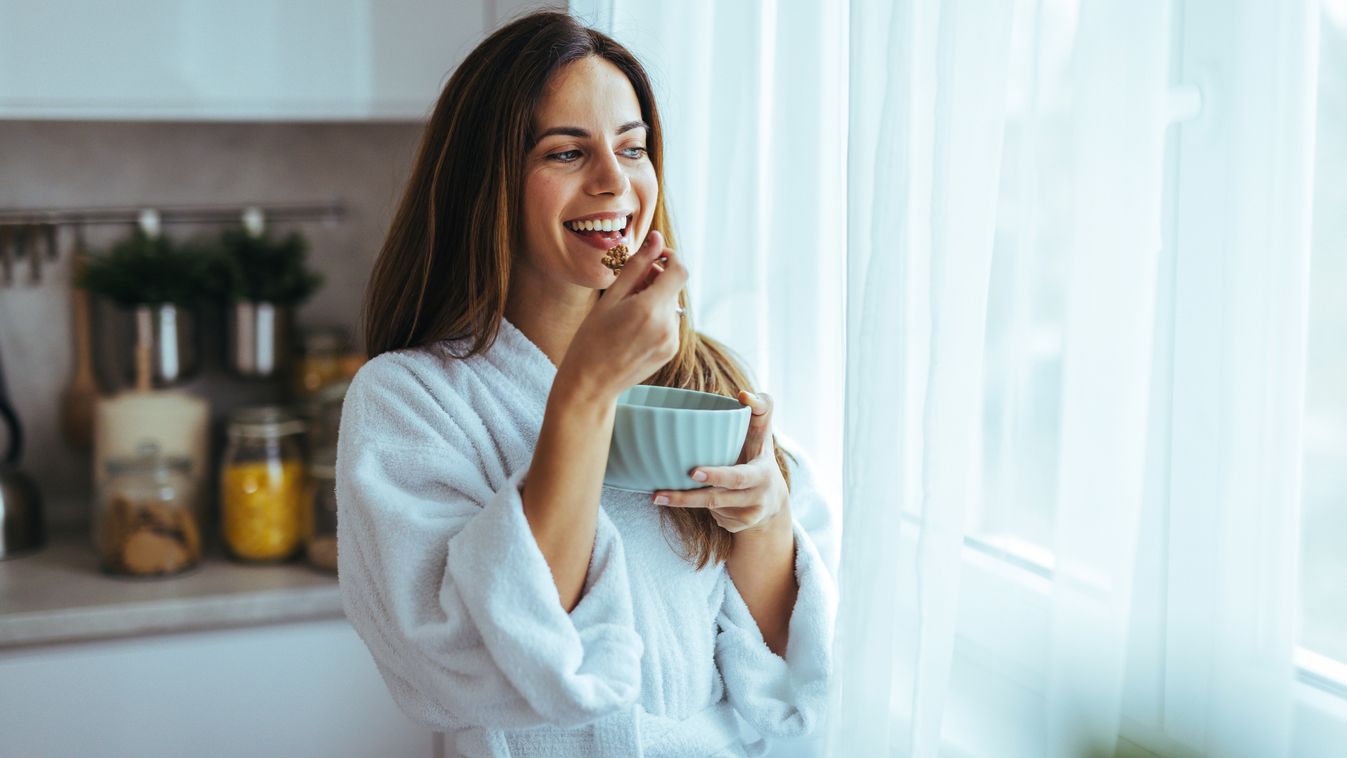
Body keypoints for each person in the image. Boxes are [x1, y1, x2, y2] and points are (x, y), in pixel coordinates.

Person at [337, 10, 835, 757]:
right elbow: (460, 665)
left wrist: (764, 523)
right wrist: (585, 391)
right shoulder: (408, 401)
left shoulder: (703, 382)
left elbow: (785, 689)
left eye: (632, 148)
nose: (614, 181)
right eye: (567, 153)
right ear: (489, 183)